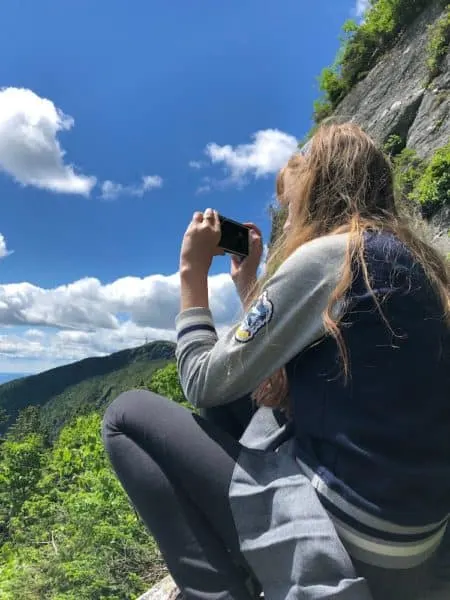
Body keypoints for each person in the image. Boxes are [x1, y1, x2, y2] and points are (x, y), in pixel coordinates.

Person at [102, 123, 450, 600]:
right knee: (236, 404)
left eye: (290, 207)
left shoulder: (334, 255)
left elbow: (202, 380)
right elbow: (271, 353)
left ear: (319, 191)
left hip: (356, 535)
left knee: (126, 415)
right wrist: (250, 287)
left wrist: (191, 275)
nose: (287, 223)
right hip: (411, 530)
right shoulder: (406, 257)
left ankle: (217, 592)